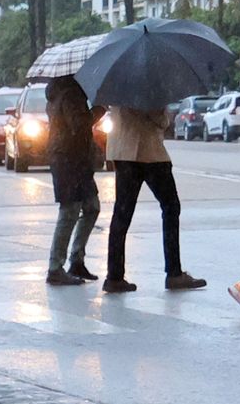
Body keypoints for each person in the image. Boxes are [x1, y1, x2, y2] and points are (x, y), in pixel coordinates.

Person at [104, 104, 205, 293]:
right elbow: (158, 118)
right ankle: (174, 273)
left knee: (122, 214)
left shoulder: (118, 89)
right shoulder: (147, 90)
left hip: (123, 151)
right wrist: (165, 115)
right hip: (149, 153)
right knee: (171, 207)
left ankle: (114, 276)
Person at [44, 76, 104, 286]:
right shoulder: (70, 94)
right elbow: (79, 124)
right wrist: (98, 111)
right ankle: (55, 267)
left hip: (76, 159)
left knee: (91, 207)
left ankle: (76, 259)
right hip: (67, 158)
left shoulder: (63, 92)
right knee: (69, 210)